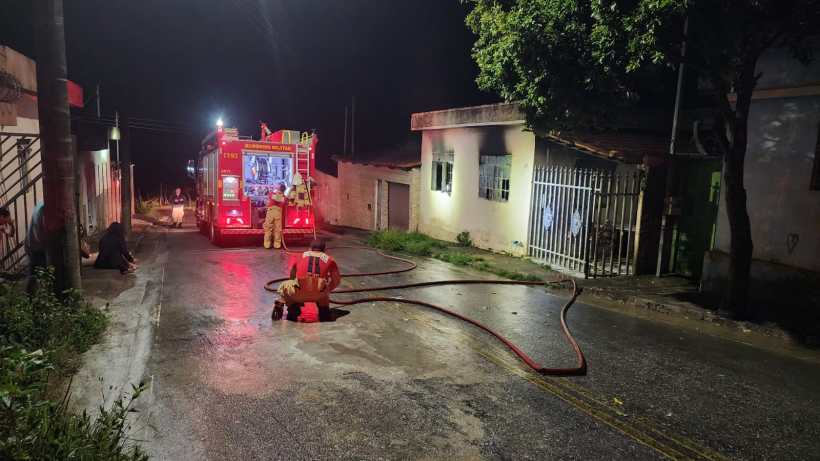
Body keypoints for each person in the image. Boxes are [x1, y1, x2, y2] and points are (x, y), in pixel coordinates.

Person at [274, 238, 341, 322]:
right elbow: (336, 281)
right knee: (324, 287)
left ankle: (293, 308)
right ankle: (324, 311)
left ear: (310, 248)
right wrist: (326, 290)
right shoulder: (330, 260)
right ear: (324, 249)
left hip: (297, 294)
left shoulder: (299, 256)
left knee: (287, 286)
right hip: (319, 294)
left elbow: (292, 277)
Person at [24, 204, 47, 293]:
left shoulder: (40, 207)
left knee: (34, 273)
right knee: (40, 272)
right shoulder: (42, 211)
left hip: (33, 246)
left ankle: (31, 296)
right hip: (37, 247)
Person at [263, 183, 286, 249]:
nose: (276, 185)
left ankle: (267, 244)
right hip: (278, 212)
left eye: (277, 185)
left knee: (268, 227)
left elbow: (270, 196)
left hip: (271, 211)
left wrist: (271, 191)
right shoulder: (283, 196)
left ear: (279, 188)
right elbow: (284, 202)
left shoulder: (273, 193)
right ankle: (277, 245)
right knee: (278, 229)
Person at [0, 207, 15, 273]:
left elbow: (11, 234)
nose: (7, 221)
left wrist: (11, 225)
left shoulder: (2, 227)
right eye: (6, 218)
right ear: (2, 217)